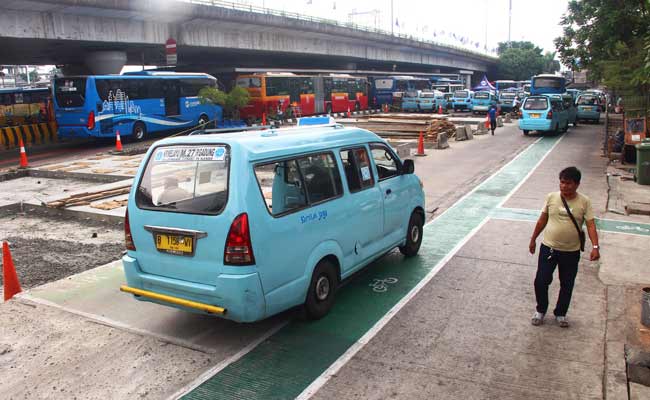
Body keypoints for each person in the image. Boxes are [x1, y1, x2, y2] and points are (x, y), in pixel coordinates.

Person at [528, 166, 600, 328]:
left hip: (571, 252)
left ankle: (561, 313)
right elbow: (542, 220)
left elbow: (590, 226)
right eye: (562, 182)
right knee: (541, 280)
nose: (564, 186)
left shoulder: (584, 202)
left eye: (568, 183)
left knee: (567, 283)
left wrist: (595, 246)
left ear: (577, 184)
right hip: (549, 248)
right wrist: (533, 239)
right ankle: (540, 310)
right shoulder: (551, 197)